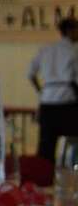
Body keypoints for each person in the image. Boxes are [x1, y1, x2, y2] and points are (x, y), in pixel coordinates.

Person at [28, 16, 78, 161]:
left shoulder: (46, 49)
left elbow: (30, 74)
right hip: (68, 102)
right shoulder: (74, 50)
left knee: (45, 147)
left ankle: (43, 180)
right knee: (73, 143)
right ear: (70, 31)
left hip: (47, 102)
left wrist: (41, 91)